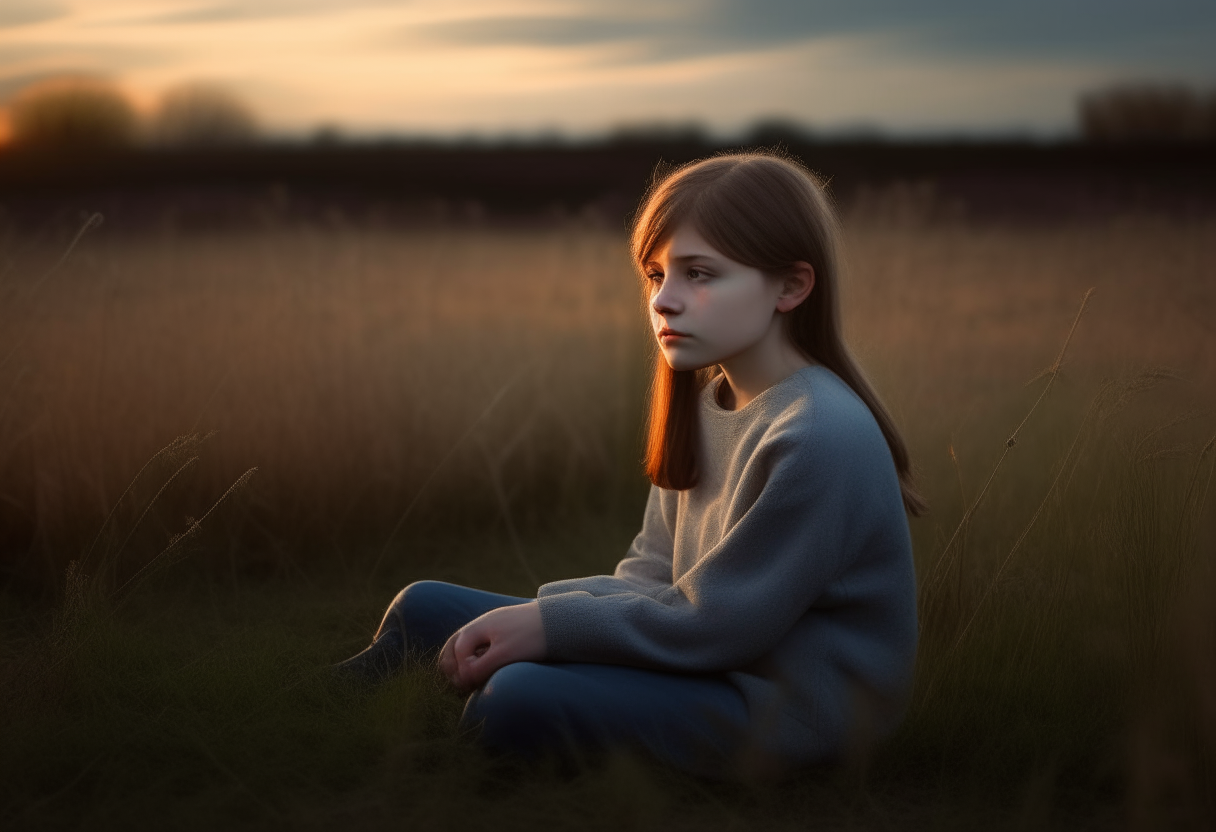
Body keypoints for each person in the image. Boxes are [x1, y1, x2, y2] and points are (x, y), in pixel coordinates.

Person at [334, 150, 924, 780]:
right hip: (704, 664)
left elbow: (719, 625)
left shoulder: (820, 435)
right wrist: (542, 623)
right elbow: (649, 577)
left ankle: (428, 762)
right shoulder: (706, 406)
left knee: (515, 696)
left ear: (791, 285)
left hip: (786, 712)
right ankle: (315, 713)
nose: (664, 301)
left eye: (700, 273)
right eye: (654, 273)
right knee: (423, 608)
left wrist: (548, 626)